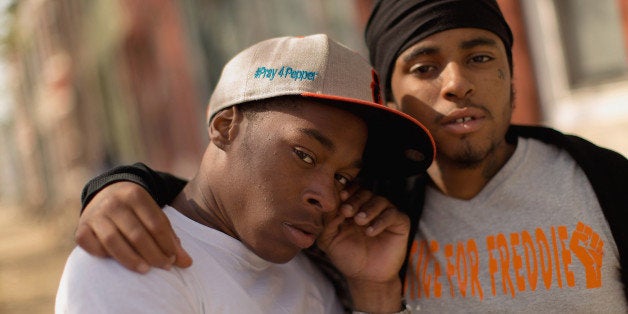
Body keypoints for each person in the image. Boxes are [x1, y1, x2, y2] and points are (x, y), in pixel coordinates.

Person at [74, 0, 628, 312]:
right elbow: (219, 203)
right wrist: (123, 185)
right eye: (425, 66)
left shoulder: (600, 181)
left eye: (481, 57)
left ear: (511, 76)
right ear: (390, 99)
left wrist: (123, 183)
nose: (457, 83)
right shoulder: (363, 215)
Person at [56, 34, 436, 313]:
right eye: (304, 155)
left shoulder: (314, 270)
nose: (328, 197)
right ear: (225, 127)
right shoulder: (133, 262)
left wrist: (373, 292)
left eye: (343, 178)